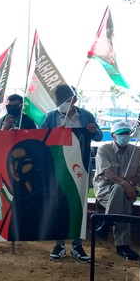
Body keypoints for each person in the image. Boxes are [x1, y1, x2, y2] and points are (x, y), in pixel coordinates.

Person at [41, 84, 102, 263]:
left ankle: (77, 244)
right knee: (59, 203)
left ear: (75, 99)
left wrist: (93, 131)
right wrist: (53, 133)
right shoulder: (51, 117)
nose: (64, 103)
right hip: (57, 168)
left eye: (67, 100)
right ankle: (59, 243)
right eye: (60, 101)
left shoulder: (86, 116)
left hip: (80, 168)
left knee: (79, 205)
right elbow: (41, 137)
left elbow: (98, 137)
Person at [93, 120, 140, 261]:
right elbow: (107, 173)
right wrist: (125, 184)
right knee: (121, 194)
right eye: (120, 134)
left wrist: (129, 184)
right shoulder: (104, 149)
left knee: (120, 190)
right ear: (113, 135)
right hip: (105, 189)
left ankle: (106, 222)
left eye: (126, 133)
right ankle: (122, 246)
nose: (124, 136)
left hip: (129, 190)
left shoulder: (137, 152)